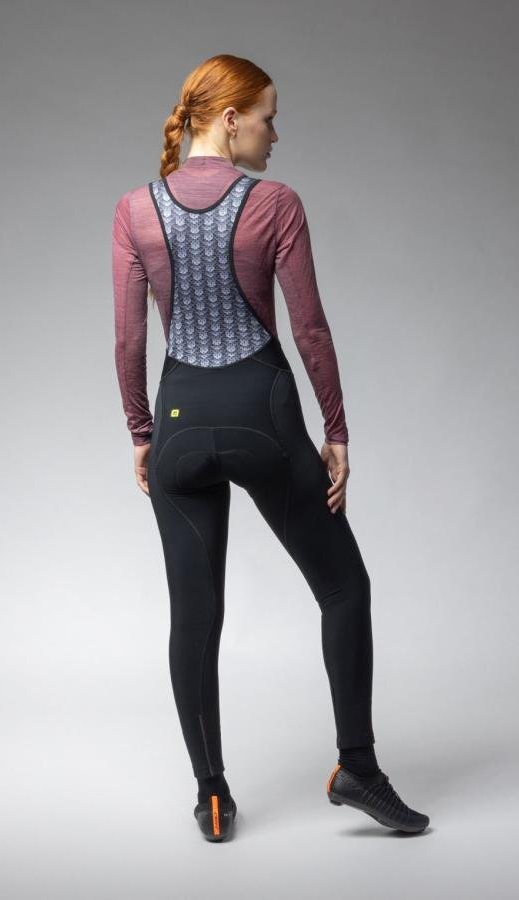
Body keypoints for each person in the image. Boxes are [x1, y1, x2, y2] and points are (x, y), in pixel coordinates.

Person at [112, 54, 430, 841]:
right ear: (230, 120)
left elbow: (129, 341)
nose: (275, 135)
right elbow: (310, 328)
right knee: (344, 588)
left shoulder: (133, 210)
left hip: (180, 427)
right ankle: (357, 768)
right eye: (268, 118)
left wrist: (142, 433)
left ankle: (211, 795)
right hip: (265, 419)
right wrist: (337, 430)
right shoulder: (276, 203)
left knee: (194, 614)